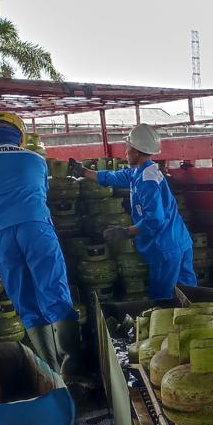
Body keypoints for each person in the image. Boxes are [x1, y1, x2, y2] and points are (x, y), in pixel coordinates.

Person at [0, 111, 82, 379]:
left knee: (24, 298)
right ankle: (73, 367)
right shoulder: (36, 159)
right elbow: (40, 193)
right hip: (37, 228)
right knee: (54, 290)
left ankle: (52, 371)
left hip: (2, 234)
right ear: (19, 135)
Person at [69, 123, 196, 302]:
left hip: (165, 247)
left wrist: (125, 232)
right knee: (190, 294)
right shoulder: (143, 171)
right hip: (178, 240)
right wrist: (83, 171)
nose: (125, 151)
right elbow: (114, 177)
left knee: (164, 299)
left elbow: (155, 220)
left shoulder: (147, 182)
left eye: (127, 147)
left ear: (136, 151)